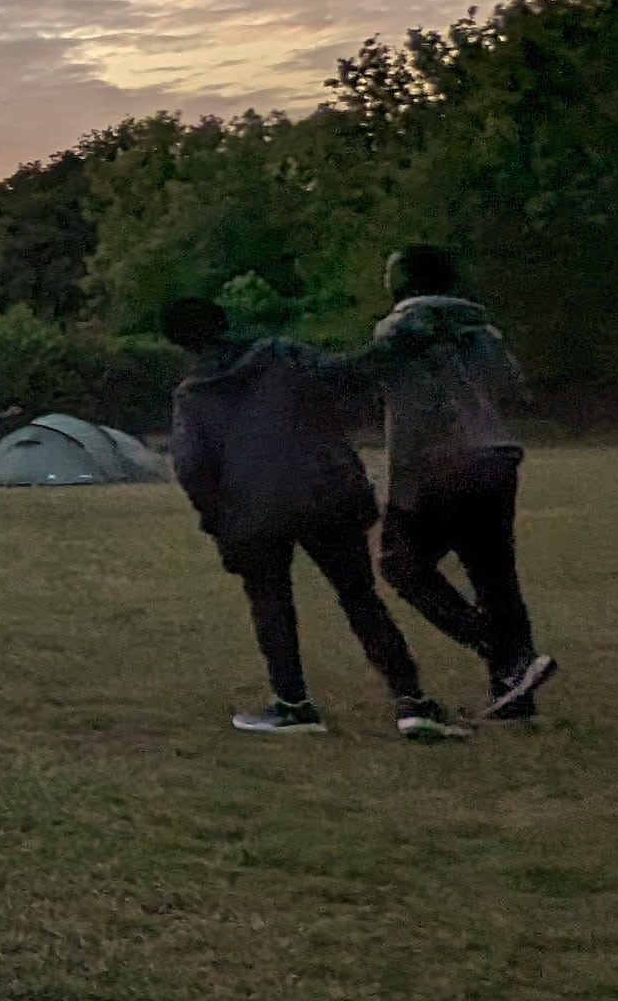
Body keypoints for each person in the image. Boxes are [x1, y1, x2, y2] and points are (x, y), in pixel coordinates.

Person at [165, 294, 466, 739]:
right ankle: (411, 700)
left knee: (270, 603)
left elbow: (192, 466)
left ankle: (292, 703)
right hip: (327, 492)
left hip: (252, 511)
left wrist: (218, 520)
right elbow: (344, 376)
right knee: (360, 597)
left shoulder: (193, 394)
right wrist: (401, 345)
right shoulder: (281, 354)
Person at [348, 247, 554, 722]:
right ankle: (513, 691)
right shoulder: (483, 330)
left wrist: (403, 481)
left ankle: (500, 651)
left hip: (438, 462)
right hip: (496, 457)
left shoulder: (396, 330)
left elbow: (411, 408)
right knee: (494, 574)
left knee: (402, 565)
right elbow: (514, 388)